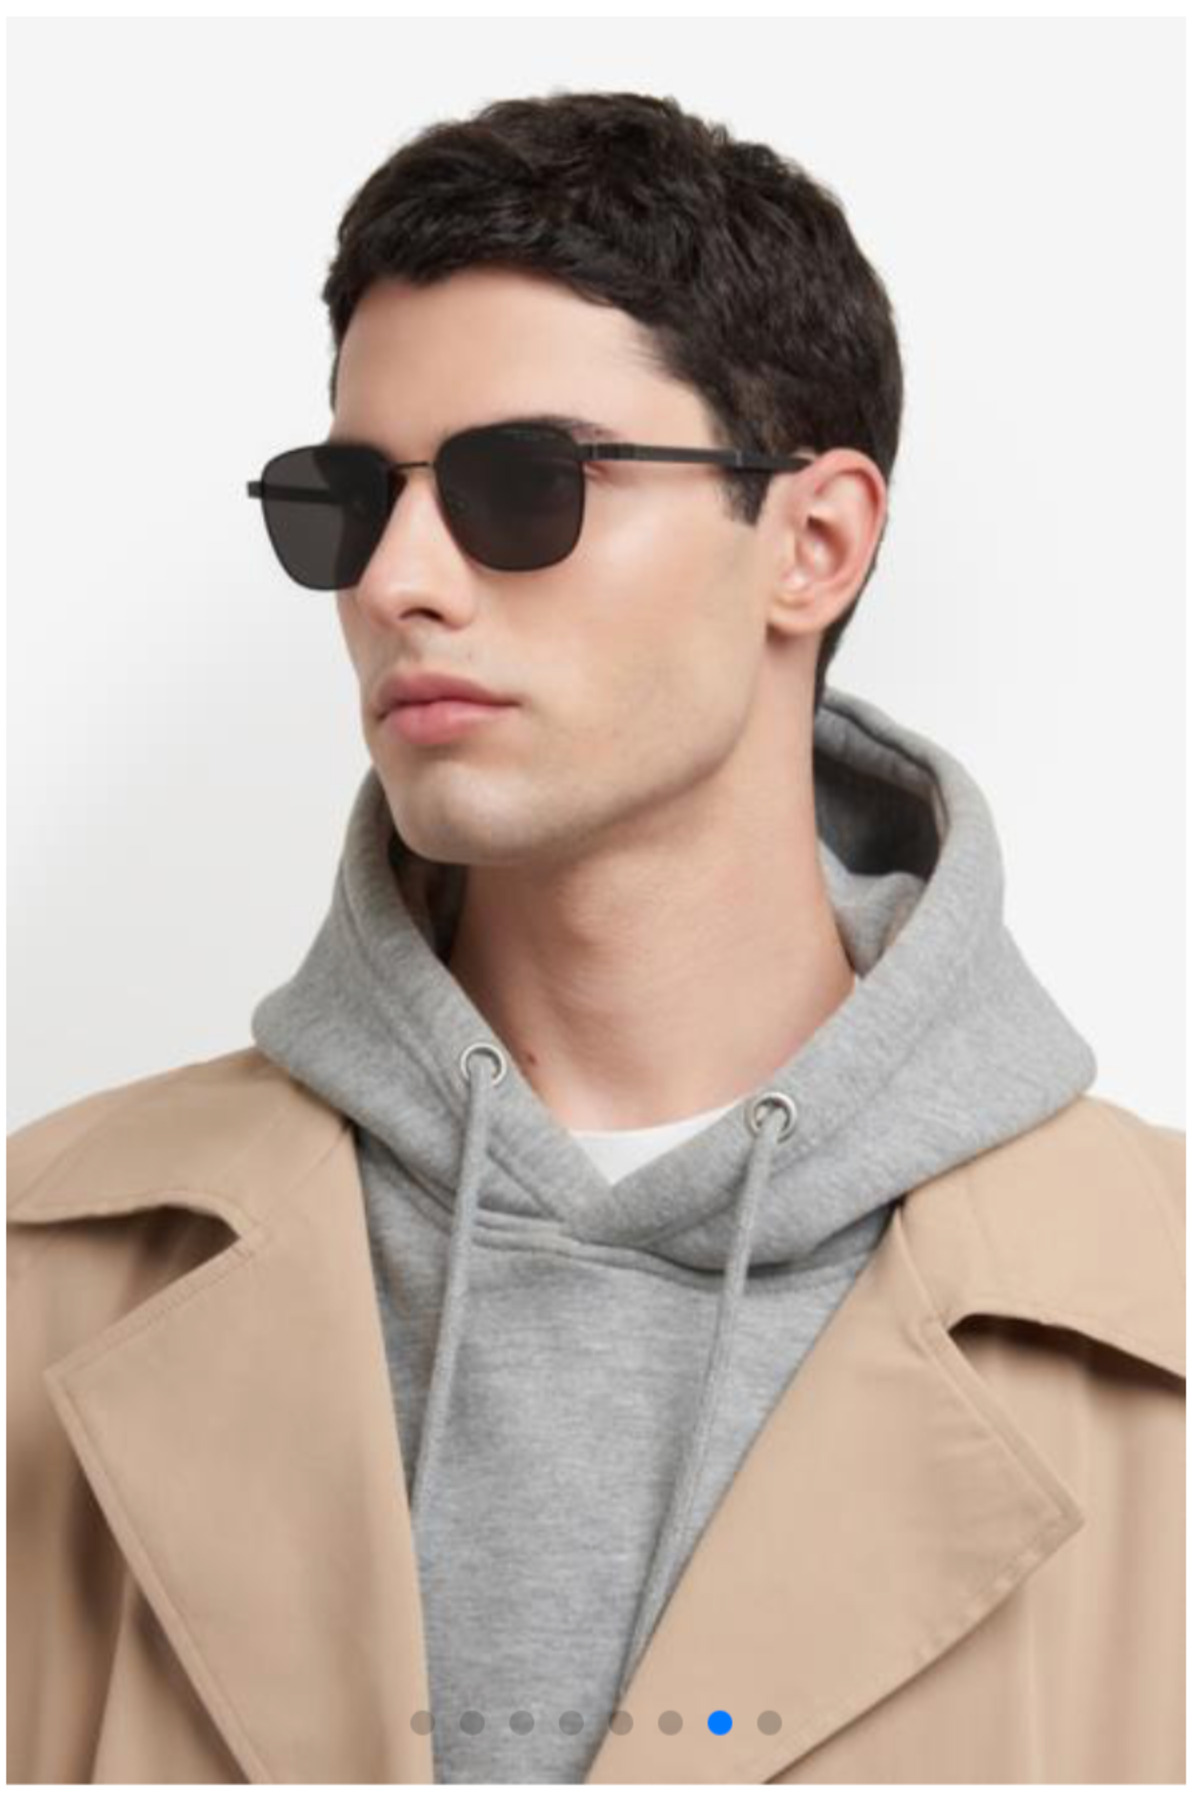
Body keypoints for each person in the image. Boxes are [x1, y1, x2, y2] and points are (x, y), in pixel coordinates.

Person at [8, 90, 1183, 1786]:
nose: (398, 580)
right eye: (351, 498)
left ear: (813, 543)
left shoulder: (1154, 1304)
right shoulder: (42, 1273)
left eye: (525, 484)